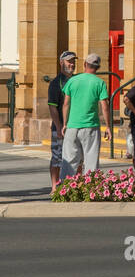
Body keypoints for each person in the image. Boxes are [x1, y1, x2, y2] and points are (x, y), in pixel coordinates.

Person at [60, 53, 110, 179]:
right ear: (97, 67)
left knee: (69, 161)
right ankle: (90, 189)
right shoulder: (100, 83)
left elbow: (66, 104)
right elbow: (104, 106)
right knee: (91, 161)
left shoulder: (72, 80)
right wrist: (108, 126)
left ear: (85, 64)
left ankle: (64, 190)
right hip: (91, 126)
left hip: (72, 125)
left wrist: (65, 123)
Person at [47, 50, 77, 191]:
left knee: (77, 158)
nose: (72, 64)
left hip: (76, 126)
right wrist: (58, 127)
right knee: (57, 158)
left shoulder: (77, 80)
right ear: (61, 63)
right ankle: (54, 186)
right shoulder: (55, 83)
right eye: (69, 61)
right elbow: (52, 107)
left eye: (73, 61)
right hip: (59, 127)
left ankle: (74, 185)